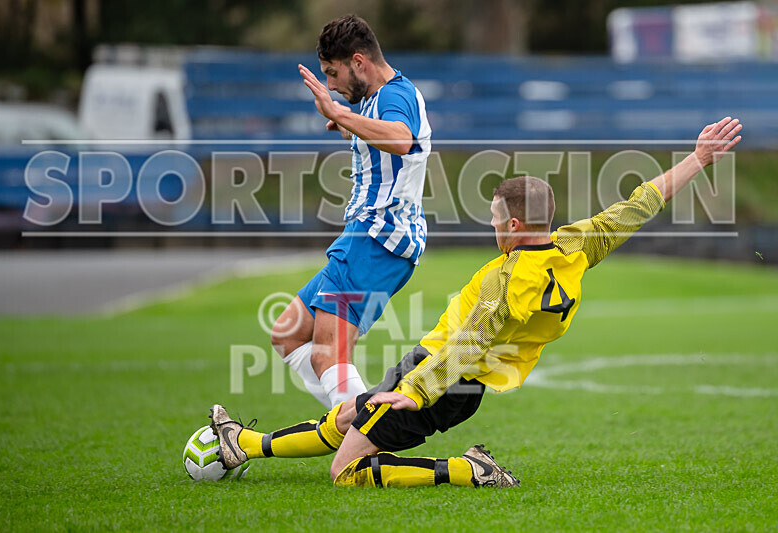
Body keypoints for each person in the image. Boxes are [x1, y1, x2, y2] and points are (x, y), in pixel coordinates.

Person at [211, 118, 742, 488]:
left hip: (446, 379)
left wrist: (415, 393)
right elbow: (637, 206)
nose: (491, 228)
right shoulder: (573, 245)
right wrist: (697, 159)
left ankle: (469, 471)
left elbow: (472, 343)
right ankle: (245, 444)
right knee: (350, 411)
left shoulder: (509, 281)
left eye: (493, 220)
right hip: (443, 369)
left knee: (346, 471)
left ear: (513, 225)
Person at [274, 14, 432, 409]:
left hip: (376, 236)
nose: (330, 84)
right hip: (368, 236)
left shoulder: (396, 95)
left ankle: (362, 441)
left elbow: (401, 139)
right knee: (288, 333)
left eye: (332, 72)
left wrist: (340, 113)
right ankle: (355, 427)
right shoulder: (376, 100)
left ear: (358, 62)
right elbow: (382, 130)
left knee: (327, 351)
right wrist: (347, 125)